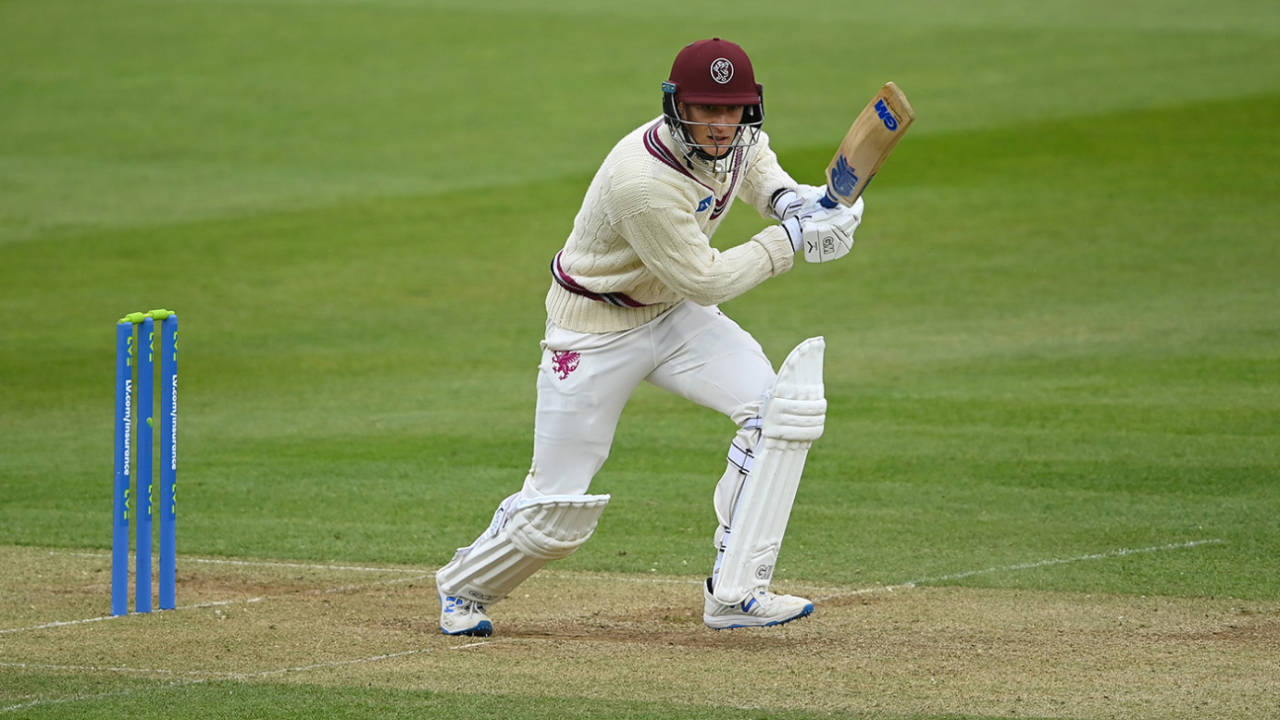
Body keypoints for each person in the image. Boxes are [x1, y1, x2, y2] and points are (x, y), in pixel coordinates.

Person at [434, 37, 864, 636]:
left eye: (732, 109)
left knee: (778, 413)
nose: (720, 125)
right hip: (593, 330)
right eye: (705, 110)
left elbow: (755, 163)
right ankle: (462, 588)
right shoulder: (643, 181)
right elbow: (704, 278)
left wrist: (792, 200)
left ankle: (735, 593)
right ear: (675, 106)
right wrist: (790, 240)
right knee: (557, 511)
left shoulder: (737, 139)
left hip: (669, 316)